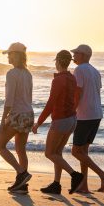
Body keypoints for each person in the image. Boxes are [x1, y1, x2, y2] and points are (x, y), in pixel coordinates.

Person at [32, 50, 80, 194]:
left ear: (58, 62)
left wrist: (38, 123)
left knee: (49, 153)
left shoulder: (58, 80)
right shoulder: (72, 78)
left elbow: (51, 103)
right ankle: (56, 184)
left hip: (61, 120)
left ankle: (74, 175)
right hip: (72, 119)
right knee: (57, 153)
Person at [70, 44, 104, 193]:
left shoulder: (79, 70)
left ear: (83, 55)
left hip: (85, 115)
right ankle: (84, 186)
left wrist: (72, 110)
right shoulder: (95, 71)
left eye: (76, 53)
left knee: (75, 152)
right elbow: (96, 91)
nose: (73, 56)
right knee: (83, 152)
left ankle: (103, 175)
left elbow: (78, 92)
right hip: (96, 114)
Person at [0, 42, 34, 192]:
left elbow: (9, 100)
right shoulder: (28, 73)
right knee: (20, 150)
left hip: (17, 114)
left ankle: (22, 173)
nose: (8, 57)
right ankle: (22, 185)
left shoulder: (12, 74)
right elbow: (29, 97)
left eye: (10, 54)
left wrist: (3, 120)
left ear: (16, 55)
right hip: (28, 113)